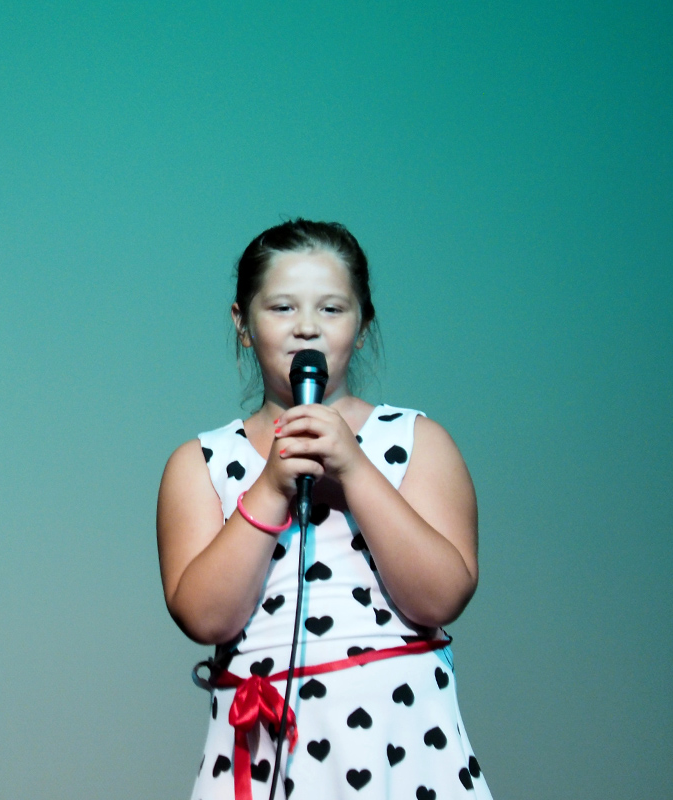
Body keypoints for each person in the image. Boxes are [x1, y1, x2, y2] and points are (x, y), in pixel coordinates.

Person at [157, 220, 492, 800]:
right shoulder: (202, 462)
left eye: (332, 309)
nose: (307, 327)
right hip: (267, 746)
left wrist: (356, 470)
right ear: (242, 323)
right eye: (282, 307)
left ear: (362, 326)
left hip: (400, 743)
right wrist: (270, 486)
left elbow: (441, 598)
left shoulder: (416, 440)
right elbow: (205, 618)